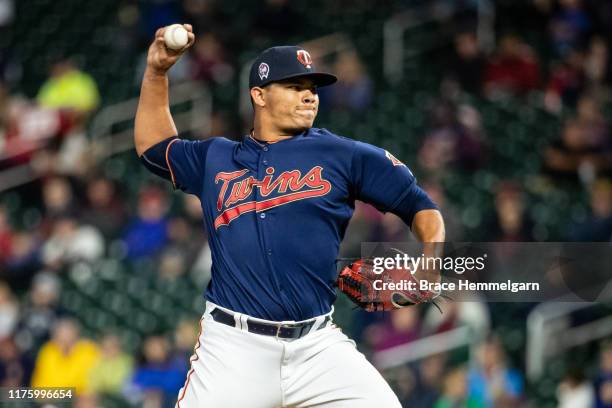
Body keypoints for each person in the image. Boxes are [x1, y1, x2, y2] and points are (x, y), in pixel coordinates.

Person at [134, 24, 445, 407]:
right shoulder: (214, 158)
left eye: (312, 88)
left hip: (317, 346)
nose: (309, 96)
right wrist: (157, 73)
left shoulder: (343, 154)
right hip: (234, 349)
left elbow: (420, 206)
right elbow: (154, 147)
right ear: (259, 95)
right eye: (295, 87)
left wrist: (431, 258)